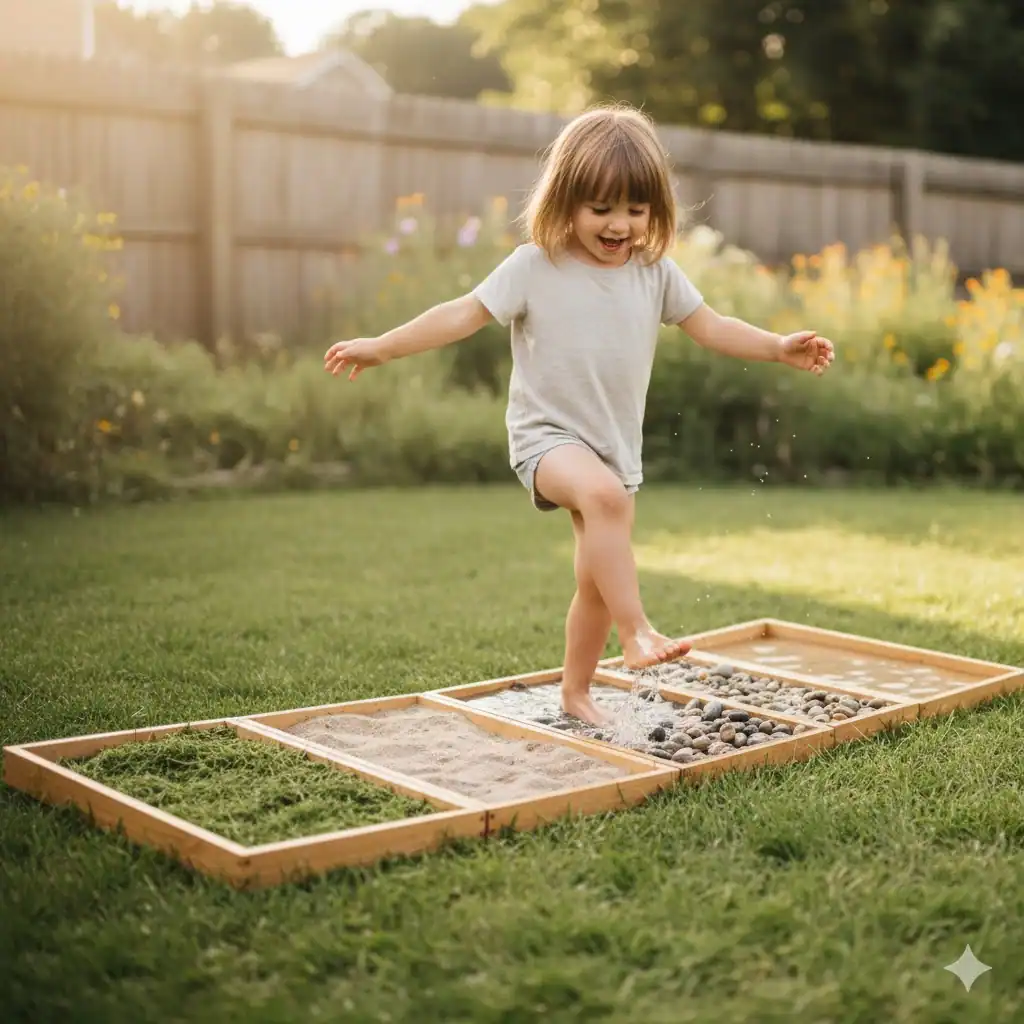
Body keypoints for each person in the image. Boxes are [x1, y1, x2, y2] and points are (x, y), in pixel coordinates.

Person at [324, 103, 834, 726]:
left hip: (613, 447)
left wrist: (777, 347)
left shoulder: (655, 274)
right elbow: (461, 313)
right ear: (565, 202)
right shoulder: (534, 268)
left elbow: (714, 327)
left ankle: (576, 692)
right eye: (601, 208)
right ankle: (638, 632)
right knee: (608, 503)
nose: (619, 224)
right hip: (546, 439)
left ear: (654, 210)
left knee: (594, 578)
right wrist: (382, 346)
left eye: (635, 209)